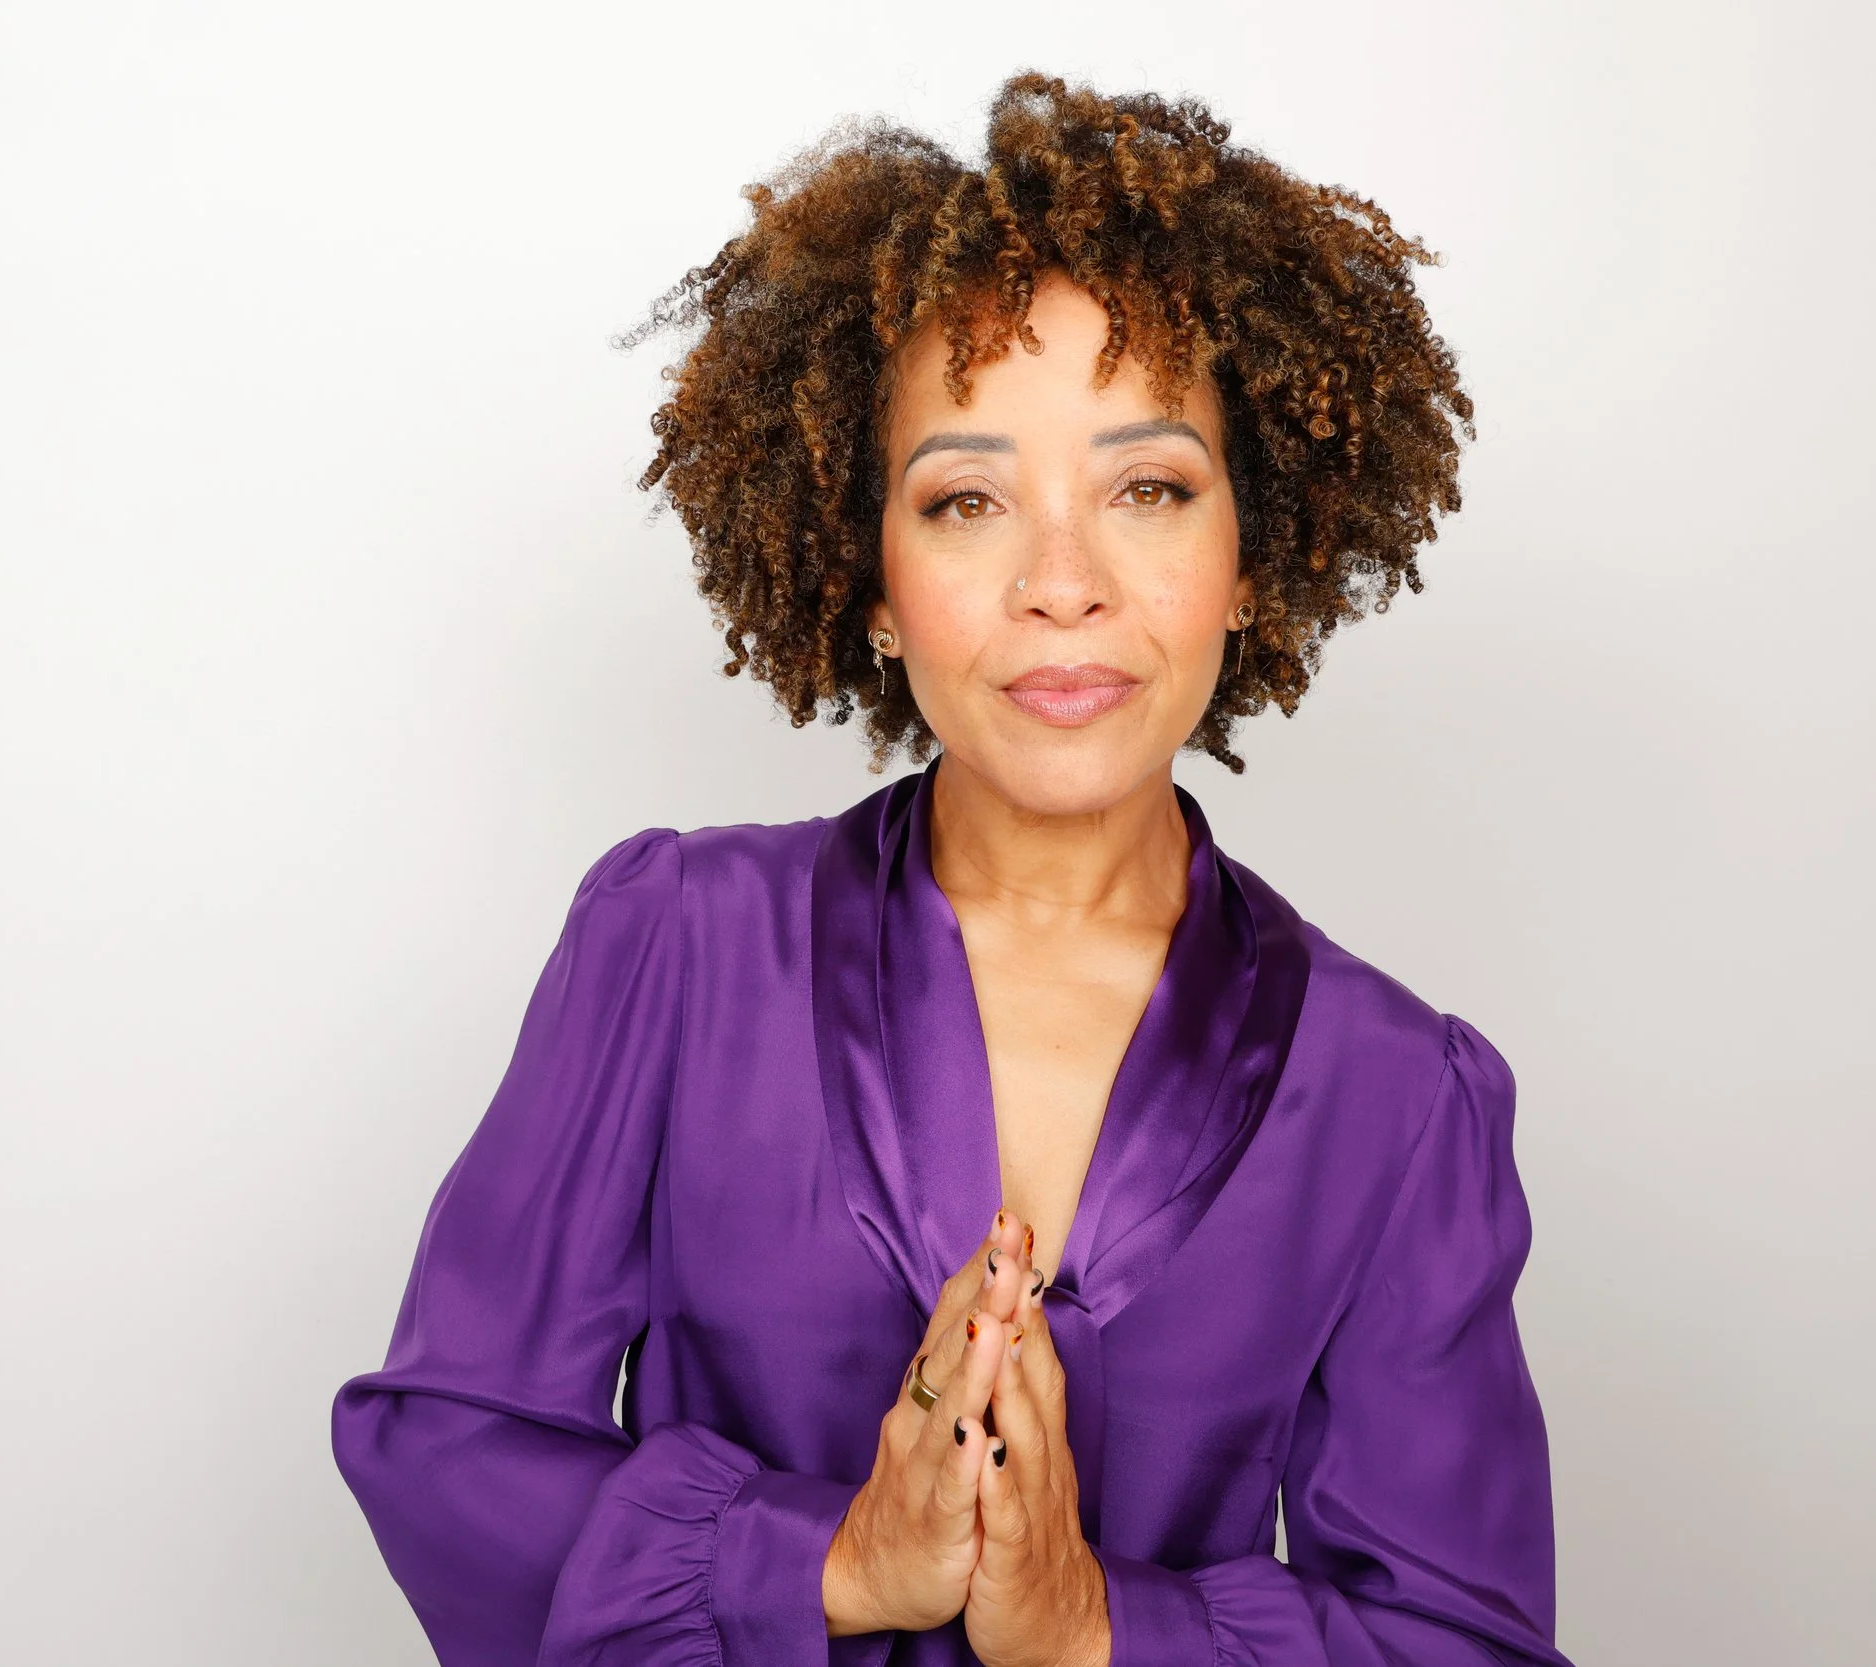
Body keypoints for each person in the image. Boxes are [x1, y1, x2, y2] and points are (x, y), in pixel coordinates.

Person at [332, 72, 1573, 1667]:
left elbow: (1461, 1640)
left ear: (1254, 559)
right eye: (968, 498)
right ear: (869, 577)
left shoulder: (1402, 1097)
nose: (1063, 583)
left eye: (1149, 487)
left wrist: (1096, 1628)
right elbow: (445, 1447)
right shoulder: (675, 953)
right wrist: (833, 1562)